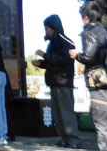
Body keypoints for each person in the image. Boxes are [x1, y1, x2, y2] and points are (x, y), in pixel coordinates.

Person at [69, 1, 107, 151]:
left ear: (85, 18)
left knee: (101, 121)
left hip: (98, 78)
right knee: (103, 119)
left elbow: (89, 56)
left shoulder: (90, 31)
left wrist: (77, 55)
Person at [32, 14, 80, 149]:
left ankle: (73, 140)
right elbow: (52, 62)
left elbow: (64, 59)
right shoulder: (52, 42)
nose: (46, 31)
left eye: (47, 28)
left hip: (63, 82)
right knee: (58, 114)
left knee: (66, 112)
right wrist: (41, 64)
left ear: (54, 27)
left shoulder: (66, 41)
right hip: (54, 82)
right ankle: (64, 139)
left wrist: (45, 55)